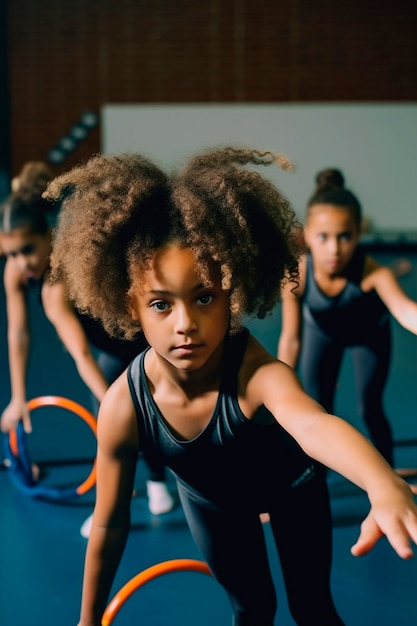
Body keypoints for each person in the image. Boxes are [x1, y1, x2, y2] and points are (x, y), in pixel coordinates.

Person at [44, 148, 417, 626]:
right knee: (250, 611)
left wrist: (381, 482)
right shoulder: (124, 405)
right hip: (213, 507)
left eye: (204, 297)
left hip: (292, 491)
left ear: (232, 295)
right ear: (131, 306)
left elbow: (314, 424)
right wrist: (87, 619)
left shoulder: (254, 374)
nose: (186, 324)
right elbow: (109, 521)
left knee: (313, 609)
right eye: (161, 304)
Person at [0, 189, 174, 527]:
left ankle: (156, 486)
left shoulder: (57, 285)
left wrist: (114, 401)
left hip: (140, 341)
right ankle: (129, 492)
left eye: (28, 250)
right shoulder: (16, 273)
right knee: (107, 423)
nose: (22, 263)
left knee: (148, 414)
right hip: (110, 349)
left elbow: (80, 354)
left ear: (46, 237)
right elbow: (18, 333)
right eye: (11, 254)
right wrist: (18, 397)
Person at [278, 168, 417, 477]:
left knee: (370, 406)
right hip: (321, 333)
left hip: (368, 335)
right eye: (323, 237)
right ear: (307, 235)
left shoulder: (372, 272)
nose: (334, 249)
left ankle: (390, 478)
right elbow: (290, 339)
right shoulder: (296, 278)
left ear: (358, 232)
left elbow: (407, 312)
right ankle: (309, 481)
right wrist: (278, 387)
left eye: (345, 237)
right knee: (315, 408)